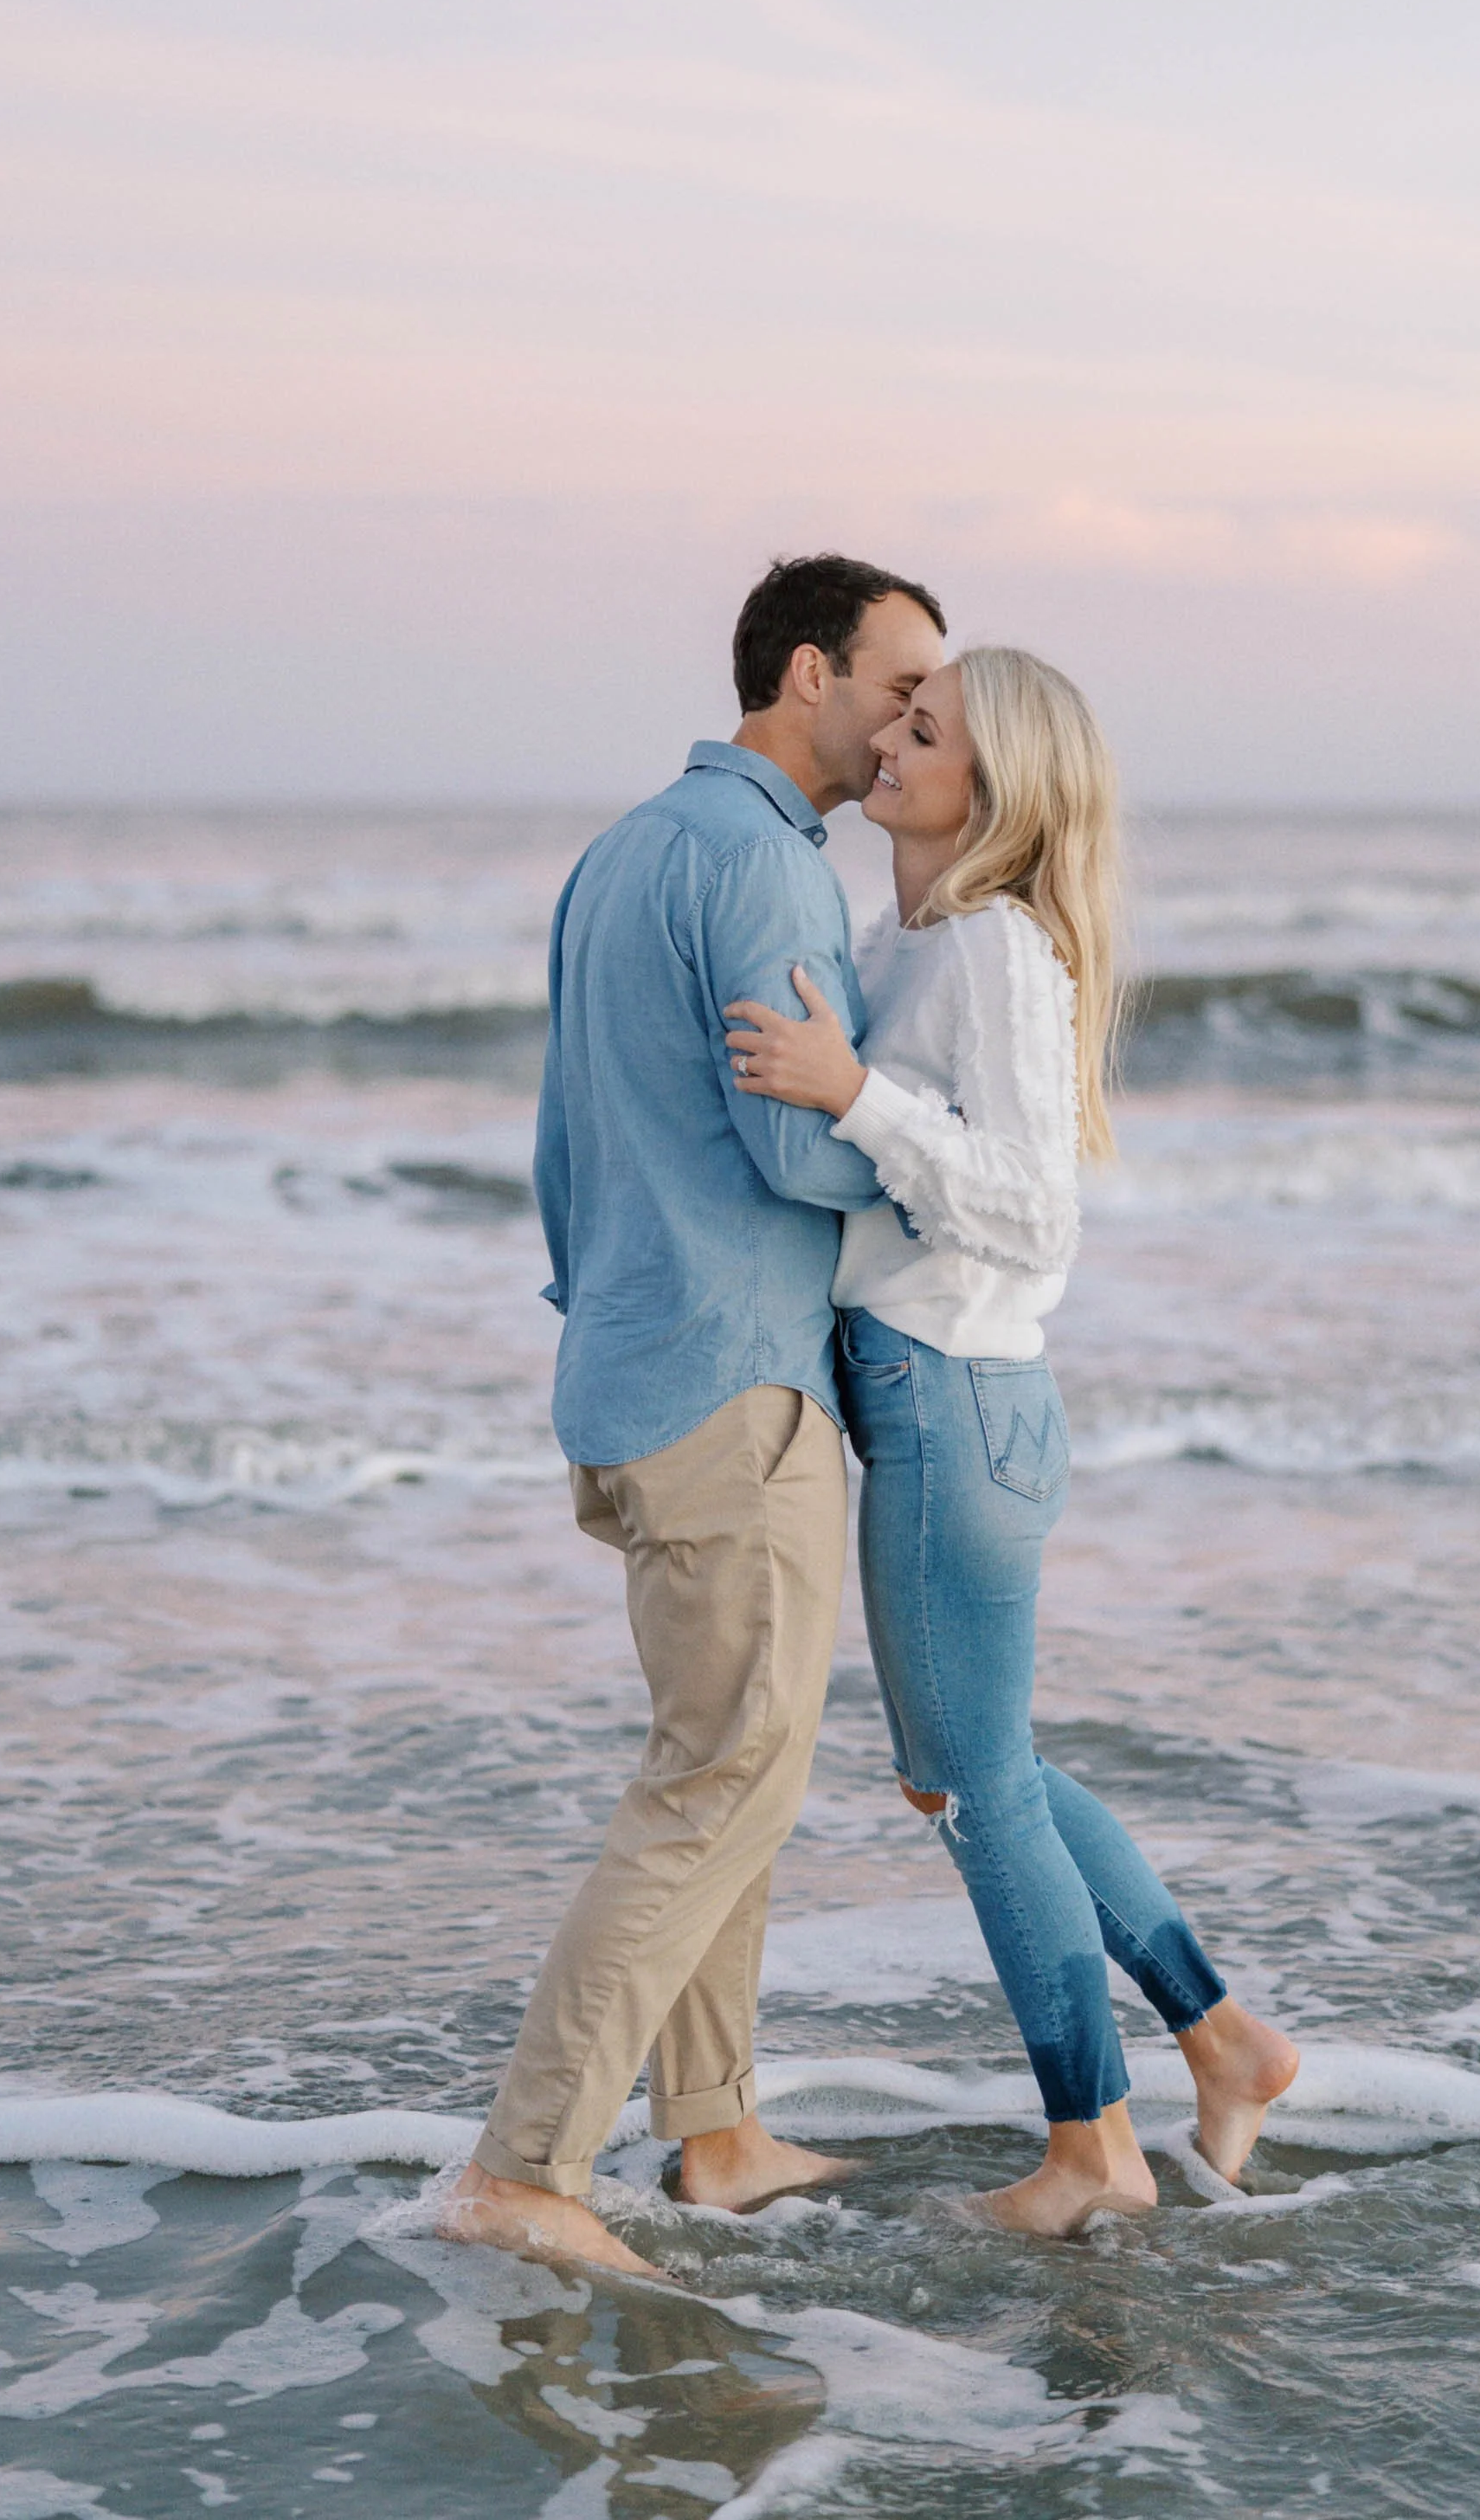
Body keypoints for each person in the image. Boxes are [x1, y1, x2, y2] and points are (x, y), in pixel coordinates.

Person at [725, 646, 1299, 2236]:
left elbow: (1034, 1214)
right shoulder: (901, 937)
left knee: (976, 1789)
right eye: (899, 717)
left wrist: (854, 1095)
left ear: (1004, 787)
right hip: (934, 1402)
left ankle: (1093, 2155)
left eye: (931, 730)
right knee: (982, 1774)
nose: (894, 744)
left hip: (953, 1400)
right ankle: (1224, 2041)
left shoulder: (986, 946)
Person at [442, 553, 946, 2276]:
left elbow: (560, 1146)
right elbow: (797, 1141)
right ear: (806, 675)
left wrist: (606, 1320)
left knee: (734, 1762)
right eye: (898, 684)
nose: (911, 722)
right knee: (720, 1768)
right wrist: (927, 1133)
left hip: (627, 1375)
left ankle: (716, 2128)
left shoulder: (625, 849)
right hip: (731, 1385)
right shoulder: (757, 863)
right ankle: (525, 2167)